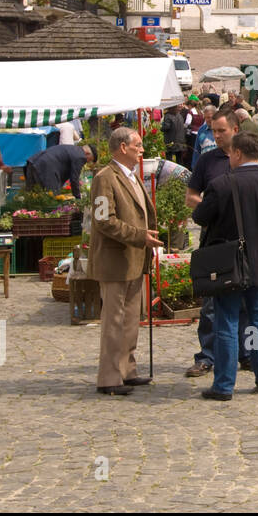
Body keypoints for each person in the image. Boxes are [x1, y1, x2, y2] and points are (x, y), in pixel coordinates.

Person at [193, 131, 258, 401]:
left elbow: (200, 216)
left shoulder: (221, 185)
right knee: (257, 324)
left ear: (236, 153)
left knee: (227, 323)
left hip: (227, 266)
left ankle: (224, 385)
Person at [89, 127, 162, 396]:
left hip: (133, 259)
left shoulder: (131, 176)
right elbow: (103, 220)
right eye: (138, 145)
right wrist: (139, 237)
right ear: (123, 147)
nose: (142, 149)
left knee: (131, 319)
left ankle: (127, 369)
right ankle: (108, 377)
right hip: (114, 260)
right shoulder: (104, 178)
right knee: (114, 320)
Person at [183, 109, 244, 379]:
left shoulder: (251, 158)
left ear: (235, 130)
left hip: (243, 240)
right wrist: (214, 207)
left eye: (221, 131)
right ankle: (207, 355)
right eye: (213, 130)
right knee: (210, 302)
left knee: (245, 300)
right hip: (214, 240)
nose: (216, 136)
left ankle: (245, 353)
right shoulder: (208, 161)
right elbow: (190, 197)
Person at [24, 142, 96, 198]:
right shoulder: (80, 156)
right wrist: (77, 197)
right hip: (47, 169)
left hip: (34, 162)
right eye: (89, 160)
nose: (86, 162)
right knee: (53, 199)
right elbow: (74, 178)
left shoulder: (73, 149)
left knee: (30, 195)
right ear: (87, 154)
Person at [162, 103, 188, 167]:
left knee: (169, 160)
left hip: (170, 140)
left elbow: (166, 127)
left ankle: (169, 173)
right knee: (179, 160)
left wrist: (161, 127)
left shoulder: (168, 116)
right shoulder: (179, 115)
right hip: (180, 140)